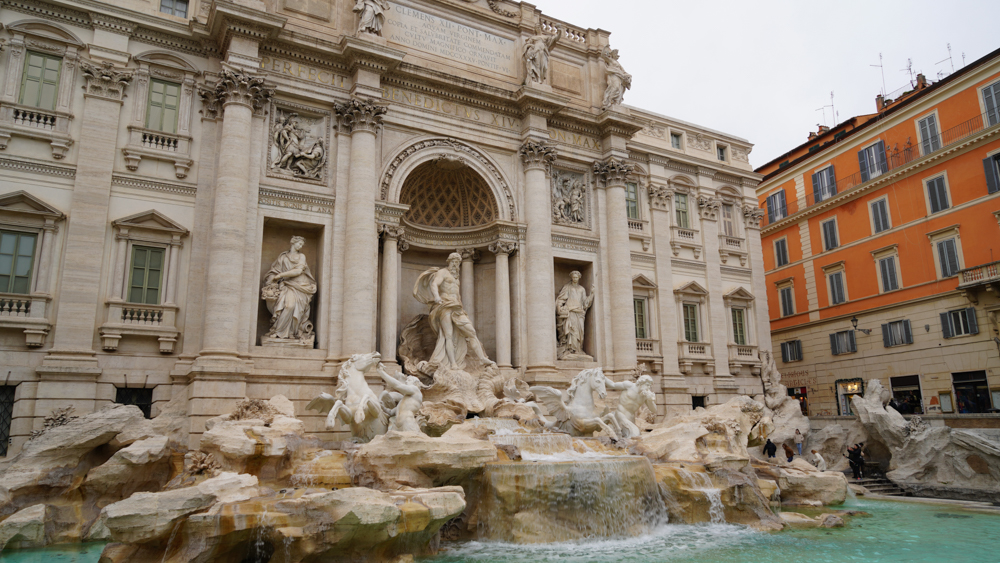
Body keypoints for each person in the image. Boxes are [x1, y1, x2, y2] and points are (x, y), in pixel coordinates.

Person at [413, 253, 495, 371]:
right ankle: (453, 364)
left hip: (456, 307)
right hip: (444, 305)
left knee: (471, 332)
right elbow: (434, 284)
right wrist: (436, 297)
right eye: (454, 262)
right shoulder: (443, 272)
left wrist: (461, 308)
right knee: (448, 336)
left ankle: (482, 358)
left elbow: (457, 295)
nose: (455, 264)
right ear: (449, 262)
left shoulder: (456, 278)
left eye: (457, 262)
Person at [262, 236, 317, 340]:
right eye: (299, 244)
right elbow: (275, 271)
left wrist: (280, 275)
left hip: (301, 286)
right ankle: (279, 332)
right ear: (293, 242)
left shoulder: (301, 256)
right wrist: (272, 279)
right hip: (287, 285)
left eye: (302, 245)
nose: (300, 246)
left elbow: (298, 271)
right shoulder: (283, 257)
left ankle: (292, 332)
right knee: (288, 306)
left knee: (293, 308)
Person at [555, 271, 595, 359]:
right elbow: (561, 299)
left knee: (580, 332)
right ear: (571, 277)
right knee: (572, 331)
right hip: (571, 311)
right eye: (573, 277)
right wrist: (559, 309)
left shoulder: (582, 289)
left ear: (579, 278)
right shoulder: (567, 287)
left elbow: (585, 303)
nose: (575, 279)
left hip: (580, 312)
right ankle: (570, 350)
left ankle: (578, 349)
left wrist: (592, 293)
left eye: (576, 277)